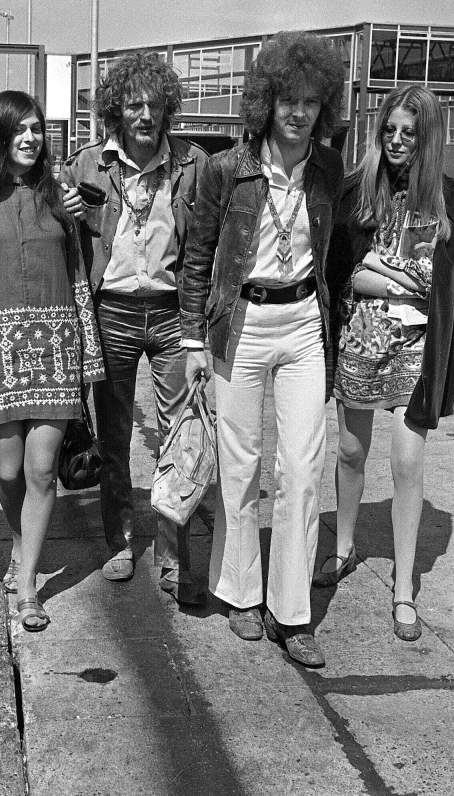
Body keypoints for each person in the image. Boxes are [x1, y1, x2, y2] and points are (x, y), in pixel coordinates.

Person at [178, 31, 346, 667]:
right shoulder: (228, 169)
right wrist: (193, 339)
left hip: (303, 322)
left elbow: (337, 253)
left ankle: (291, 611)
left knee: (302, 468)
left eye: (310, 102)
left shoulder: (328, 169)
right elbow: (197, 257)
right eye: (287, 100)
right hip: (240, 322)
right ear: (266, 102)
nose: (298, 113)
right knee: (240, 465)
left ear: (323, 107)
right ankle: (242, 594)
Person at [319, 84, 454, 643]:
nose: (397, 141)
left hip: (416, 348)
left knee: (407, 464)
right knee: (350, 451)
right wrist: (399, 277)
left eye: (409, 132)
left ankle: (404, 586)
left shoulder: (448, 200)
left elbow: (444, 287)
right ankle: (343, 547)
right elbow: (346, 272)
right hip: (361, 338)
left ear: (426, 138)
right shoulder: (357, 190)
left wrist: (382, 270)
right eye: (389, 130)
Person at [62, 52, 209, 604]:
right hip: (112, 312)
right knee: (114, 437)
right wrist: (65, 212)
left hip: (173, 313)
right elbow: (55, 233)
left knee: (180, 435)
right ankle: (118, 541)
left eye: (154, 105)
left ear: (168, 108)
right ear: (115, 111)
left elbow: (206, 244)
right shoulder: (85, 166)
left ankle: (173, 557)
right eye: (133, 105)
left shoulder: (193, 164)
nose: (144, 115)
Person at [0, 90, 105, 632]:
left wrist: (81, 218)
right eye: (18, 128)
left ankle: (27, 587)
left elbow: (86, 268)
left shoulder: (61, 197)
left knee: (43, 471)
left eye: (36, 128)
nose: (30, 137)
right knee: (8, 470)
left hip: (56, 346)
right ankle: (22, 544)